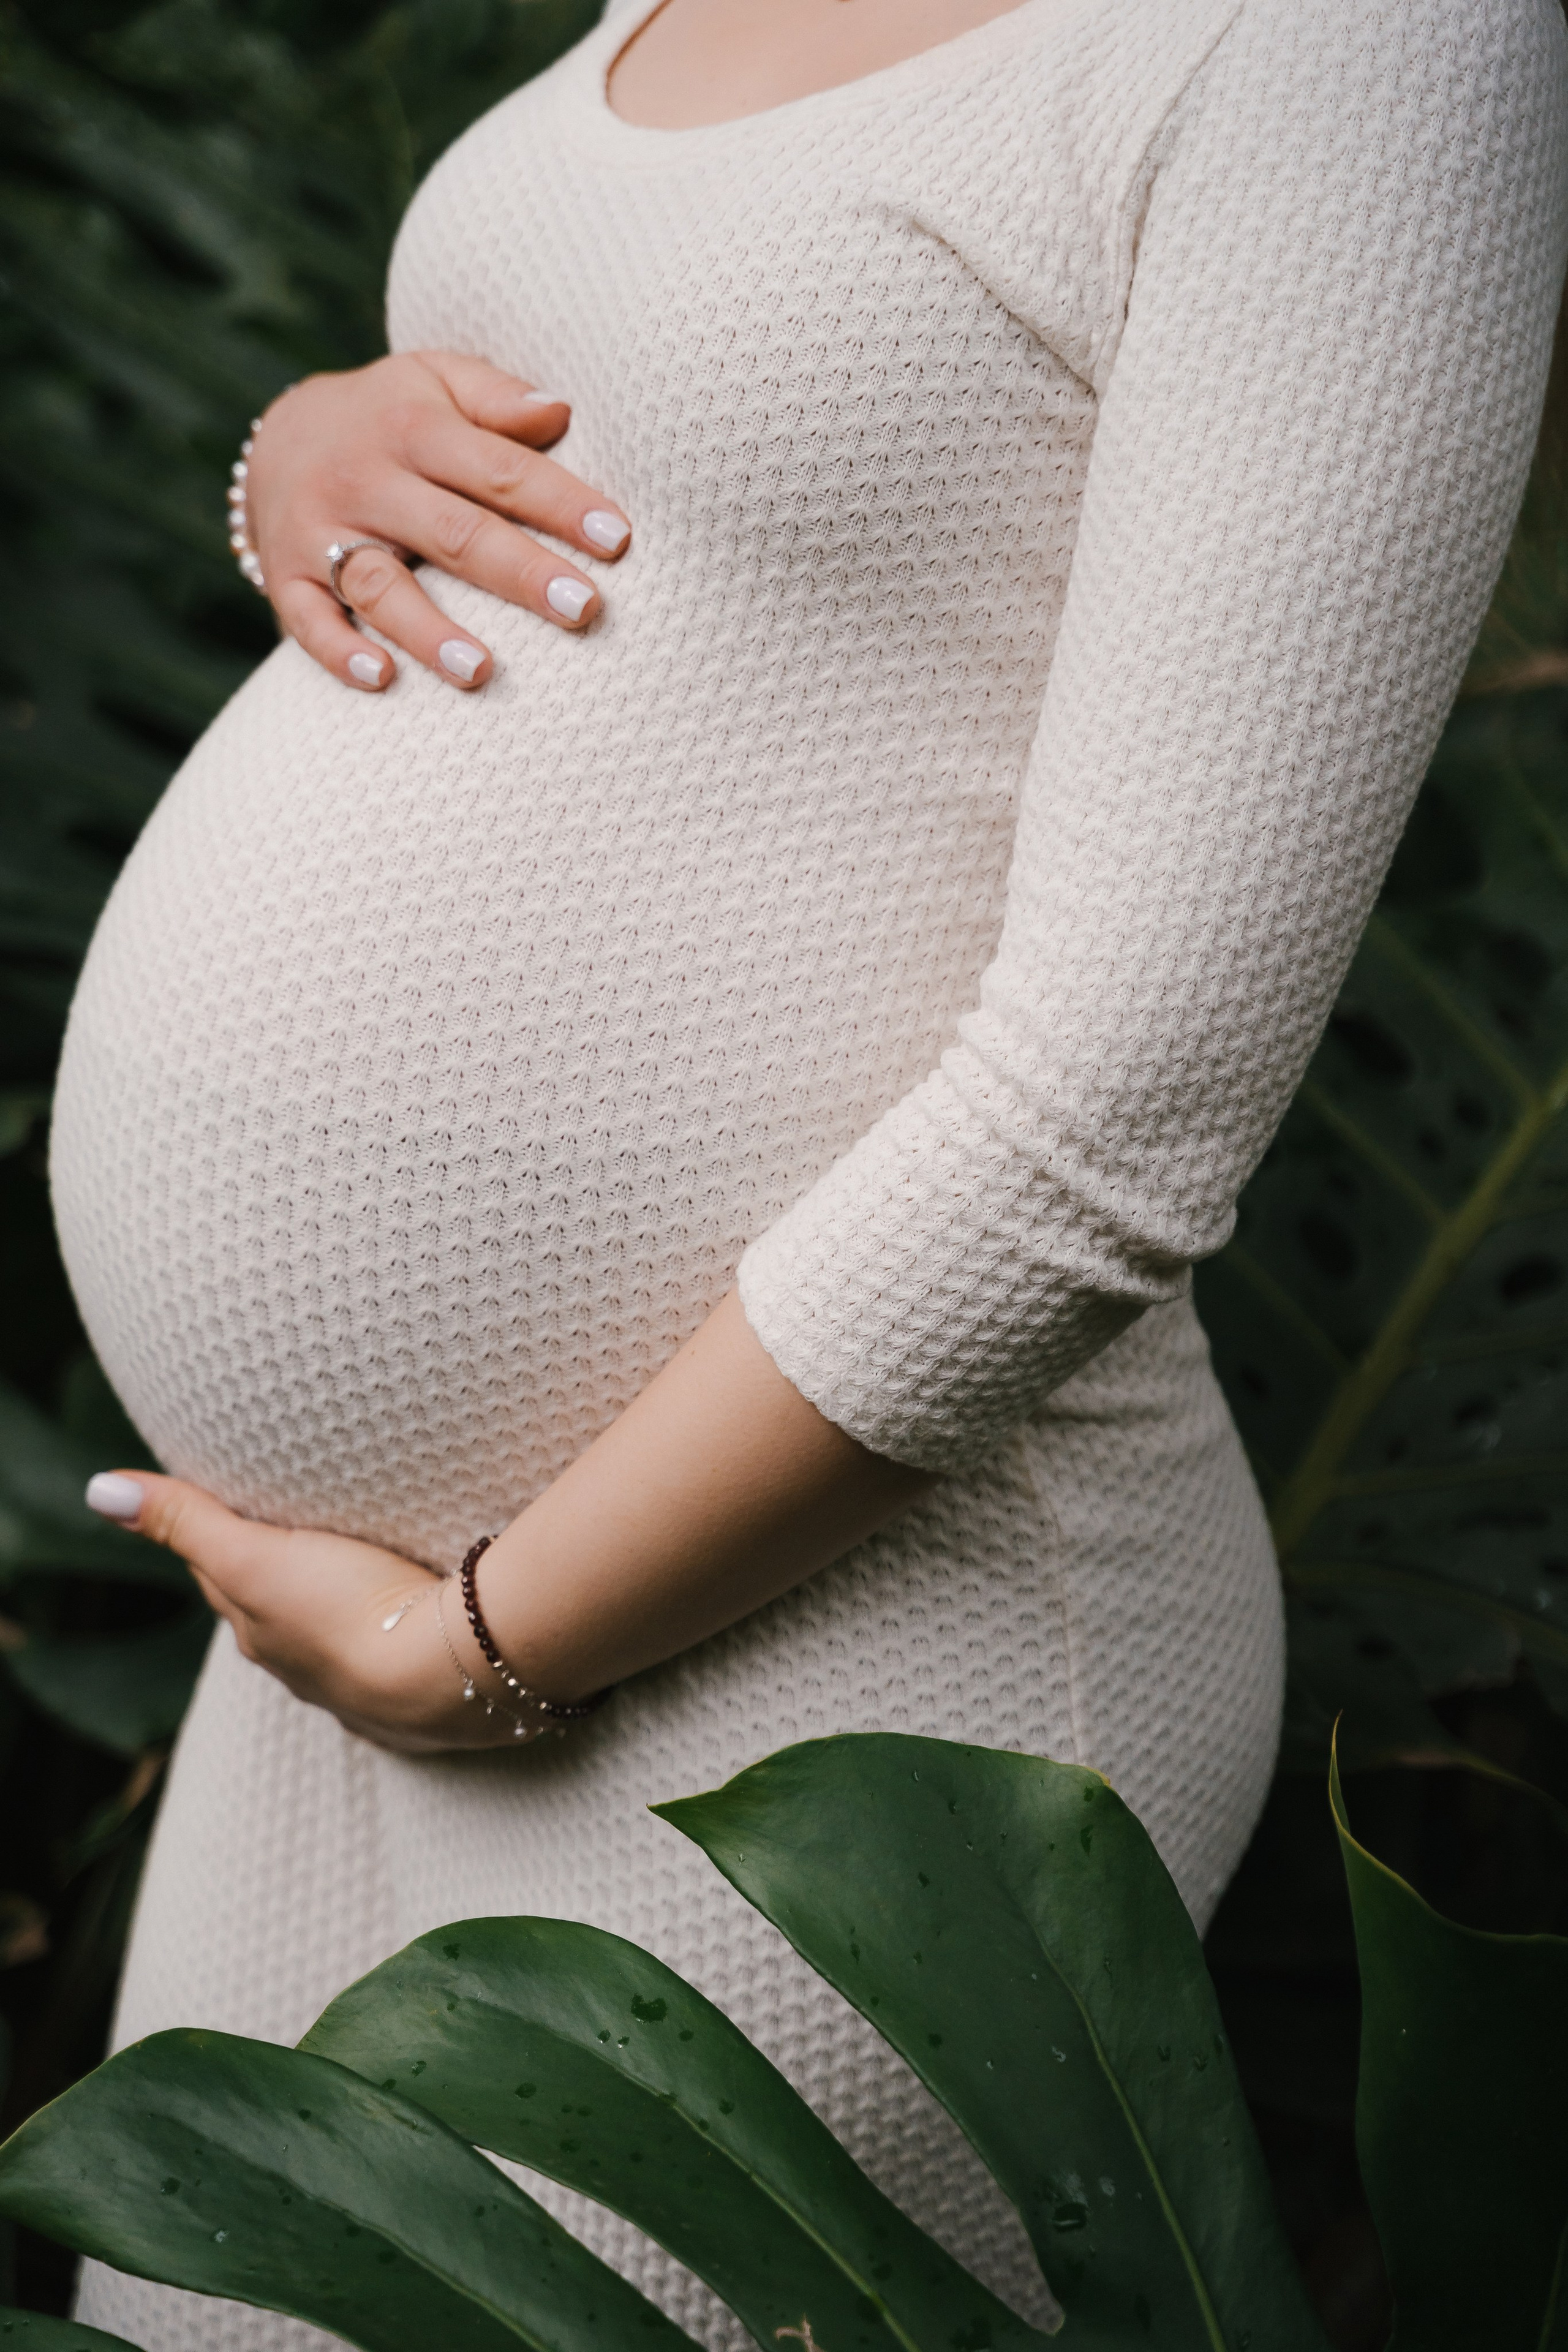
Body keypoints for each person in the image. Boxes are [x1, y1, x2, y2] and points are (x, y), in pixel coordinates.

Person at [53, 0, 1567, 2341]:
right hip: (328, 1651)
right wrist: (309, 454)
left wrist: (488, 1641)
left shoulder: (1353, 44)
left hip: (834, 1690)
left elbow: (1118, 1107)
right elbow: (685, 472)